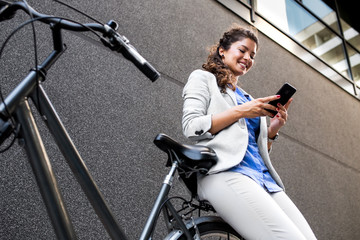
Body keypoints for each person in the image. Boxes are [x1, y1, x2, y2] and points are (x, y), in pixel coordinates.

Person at [182, 25, 317, 239]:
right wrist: (241, 112)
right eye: (242, 50)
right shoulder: (203, 78)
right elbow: (191, 126)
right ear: (222, 50)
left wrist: (272, 131)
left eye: (252, 55)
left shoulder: (248, 98)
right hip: (225, 172)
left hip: (262, 178)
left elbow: (251, 149)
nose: (248, 58)